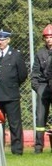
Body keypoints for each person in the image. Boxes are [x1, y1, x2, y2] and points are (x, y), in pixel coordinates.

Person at [0, 30, 28, 156]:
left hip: (11, 95)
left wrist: (12, 85)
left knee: (15, 123)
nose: (0, 42)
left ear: (8, 40)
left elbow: (22, 74)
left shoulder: (15, 55)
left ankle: (17, 150)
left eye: (2, 40)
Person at [31, 25, 52, 153]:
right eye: (47, 37)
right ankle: (38, 147)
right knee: (40, 117)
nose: (49, 40)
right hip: (43, 87)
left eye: (51, 37)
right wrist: (38, 88)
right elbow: (35, 73)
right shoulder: (40, 53)